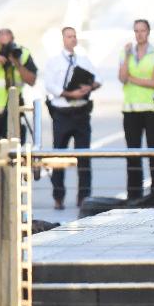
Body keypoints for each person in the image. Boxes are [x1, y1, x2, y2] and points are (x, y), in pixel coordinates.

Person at [43, 27, 101, 210]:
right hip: (62, 113)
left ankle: (84, 197)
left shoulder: (83, 60)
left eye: (74, 36)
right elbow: (49, 85)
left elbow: (98, 79)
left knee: (84, 156)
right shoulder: (54, 62)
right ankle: (58, 196)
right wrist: (69, 94)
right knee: (58, 156)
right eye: (69, 36)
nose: (73, 39)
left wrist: (89, 87)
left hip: (81, 112)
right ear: (63, 39)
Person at [119, 19, 154, 206]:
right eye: (136, 31)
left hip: (151, 109)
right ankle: (134, 194)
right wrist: (127, 57)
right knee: (133, 154)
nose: (139, 34)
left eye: (143, 30)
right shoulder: (126, 53)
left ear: (148, 32)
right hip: (130, 110)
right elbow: (122, 77)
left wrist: (132, 78)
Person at [0, 28, 37, 140]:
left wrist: (17, 63)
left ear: (13, 40)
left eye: (8, 44)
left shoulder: (22, 53)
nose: (5, 48)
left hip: (13, 110)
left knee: (12, 146)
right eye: (2, 44)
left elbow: (31, 80)